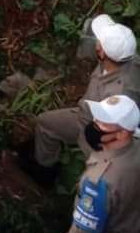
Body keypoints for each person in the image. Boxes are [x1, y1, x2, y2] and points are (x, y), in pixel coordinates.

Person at [20, 13, 140, 186]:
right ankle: (47, 166)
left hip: (95, 130)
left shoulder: (117, 95)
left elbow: (107, 136)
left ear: (102, 52)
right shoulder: (125, 58)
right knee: (46, 123)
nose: (96, 41)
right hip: (87, 113)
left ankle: (46, 177)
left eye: (99, 41)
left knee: (92, 177)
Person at [62, 95, 140, 233]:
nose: (94, 124)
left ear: (122, 133)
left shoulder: (98, 183)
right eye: (97, 117)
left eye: (103, 123)